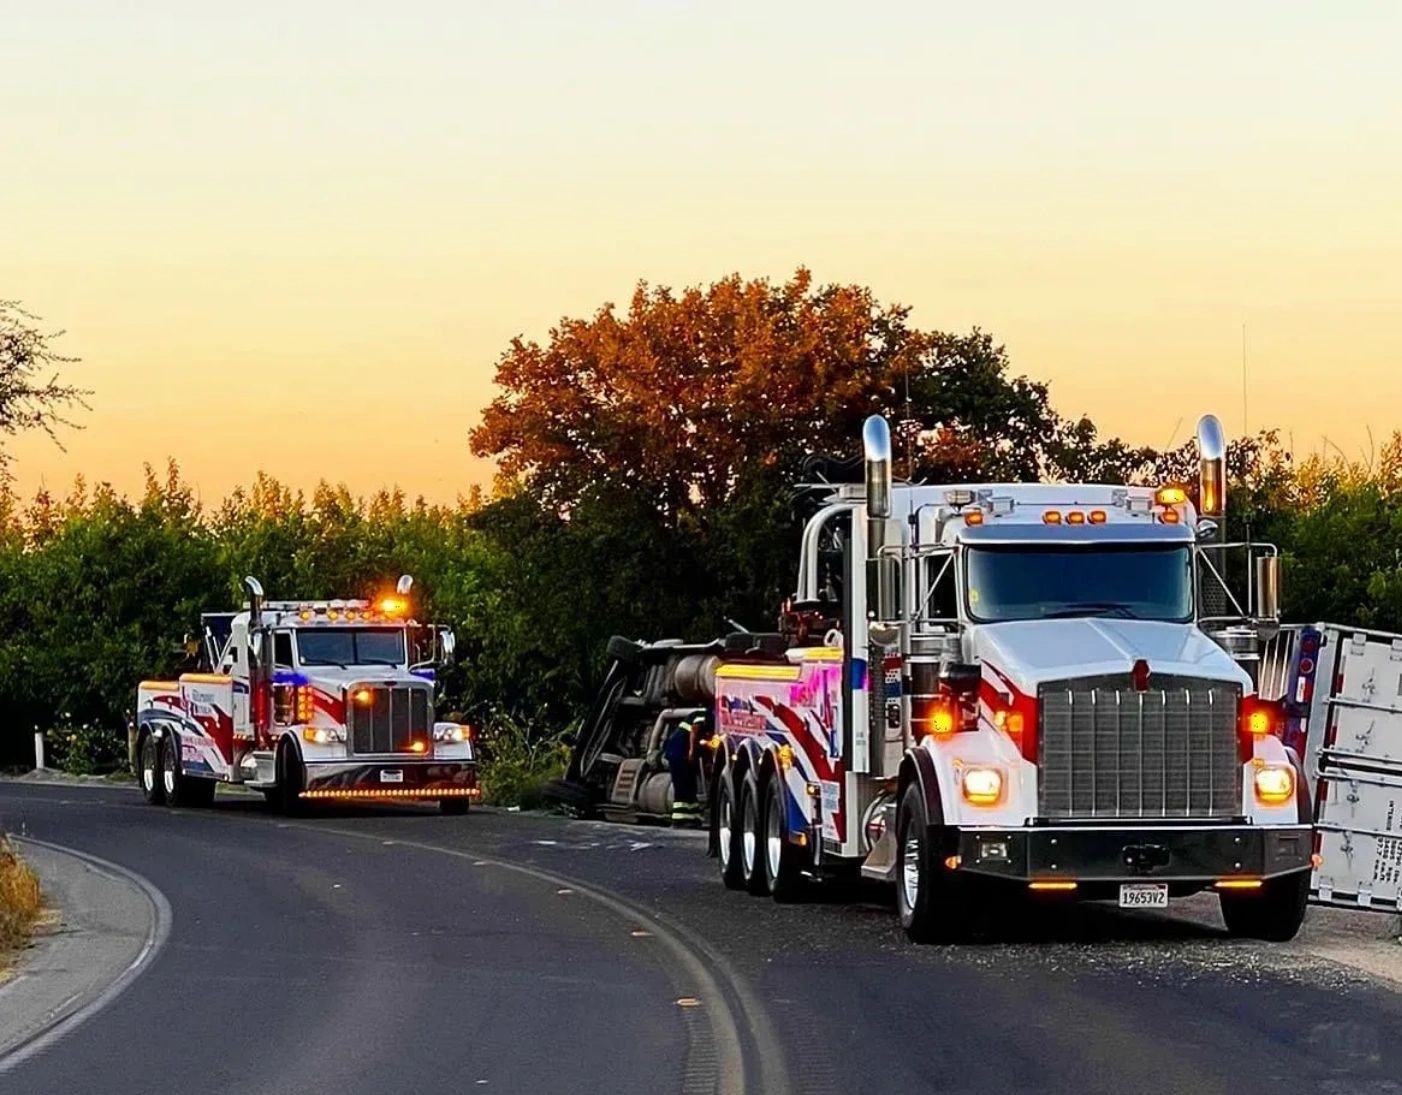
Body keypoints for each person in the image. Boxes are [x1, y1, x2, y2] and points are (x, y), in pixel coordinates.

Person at [663, 714, 703, 827]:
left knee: (690, 785)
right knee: (682, 786)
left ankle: (694, 817)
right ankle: (679, 819)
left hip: (680, 753)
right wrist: (691, 751)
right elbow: (695, 729)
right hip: (679, 754)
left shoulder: (699, 714)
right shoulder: (705, 714)